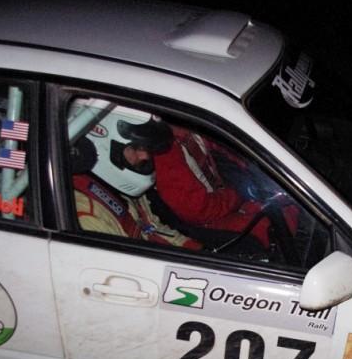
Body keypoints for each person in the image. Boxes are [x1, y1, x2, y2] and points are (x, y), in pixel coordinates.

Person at [70, 104, 200, 250]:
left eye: (145, 148)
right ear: (102, 143)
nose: (144, 156)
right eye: (135, 148)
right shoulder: (87, 216)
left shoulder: (122, 190)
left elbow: (152, 228)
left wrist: (197, 251)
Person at [152, 125, 298, 249]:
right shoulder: (165, 150)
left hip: (224, 200)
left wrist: (252, 165)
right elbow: (197, 210)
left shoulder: (189, 128)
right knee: (271, 225)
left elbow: (226, 146)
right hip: (208, 222)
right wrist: (237, 194)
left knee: (286, 202)